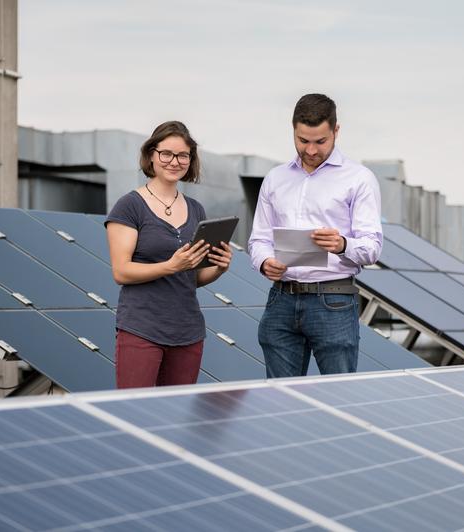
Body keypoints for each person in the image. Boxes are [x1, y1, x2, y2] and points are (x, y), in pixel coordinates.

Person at [248, 94, 382, 377]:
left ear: (336, 131)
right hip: (281, 300)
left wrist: (342, 244)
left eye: (320, 141)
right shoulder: (275, 178)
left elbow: (372, 248)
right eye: (302, 140)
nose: (310, 150)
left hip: (333, 301)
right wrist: (264, 262)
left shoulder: (359, 178)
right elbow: (259, 239)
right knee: (280, 400)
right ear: (293, 130)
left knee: (337, 398)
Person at [105, 121, 232, 388]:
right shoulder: (130, 206)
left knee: (177, 418)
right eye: (167, 154)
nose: (175, 161)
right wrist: (171, 266)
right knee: (136, 413)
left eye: (183, 155)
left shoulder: (196, 209)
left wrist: (219, 268)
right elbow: (121, 272)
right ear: (151, 155)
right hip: (142, 329)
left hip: (188, 332)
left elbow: (192, 277)